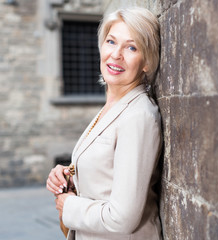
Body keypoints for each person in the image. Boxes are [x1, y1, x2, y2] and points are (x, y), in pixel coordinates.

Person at [46, 7, 162, 240]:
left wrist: (69, 206)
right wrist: (69, 175)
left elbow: (122, 218)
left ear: (147, 62)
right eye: (111, 42)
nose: (116, 54)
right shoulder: (114, 107)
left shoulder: (138, 117)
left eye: (131, 47)